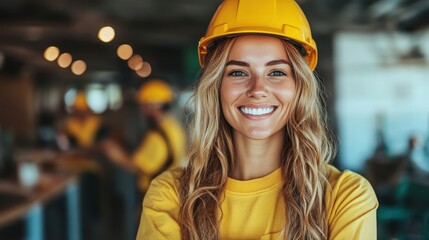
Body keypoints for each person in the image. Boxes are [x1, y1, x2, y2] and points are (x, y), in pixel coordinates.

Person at [137, 0, 378, 239]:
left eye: (276, 72)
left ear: (299, 88)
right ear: (216, 86)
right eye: (238, 72)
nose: (257, 89)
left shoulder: (345, 197)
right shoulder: (170, 195)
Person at [102, 79, 187, 193]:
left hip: (156, 192)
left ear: (153, 106)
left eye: (143, 106)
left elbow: (140, 167)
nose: (141, 111)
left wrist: (115, 154)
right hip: (169, 188)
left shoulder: (158, 135)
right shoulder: (172, 126)